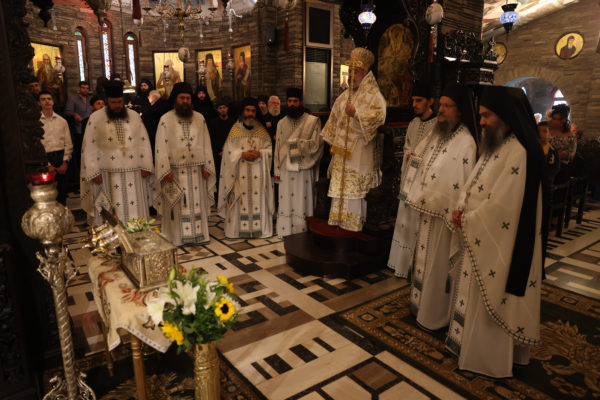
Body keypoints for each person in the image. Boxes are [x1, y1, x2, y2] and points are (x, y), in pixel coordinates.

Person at [447, 85, 546, 378]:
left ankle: (487, 359)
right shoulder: (496, 144)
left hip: (500, 241)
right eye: (480, 115)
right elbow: (474, 183)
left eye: (487, 115)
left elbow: (503, 207)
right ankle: (470, 347)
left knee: (494, 298)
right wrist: (461, 206)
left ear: (505, 116)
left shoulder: (519, 152)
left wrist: (469, 220)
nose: (481, 122)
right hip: (480, 235)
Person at [403, 83, 478, 330]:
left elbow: (462, 181)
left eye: (448, 106)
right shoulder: (437, 133)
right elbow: (423, 161)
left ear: (460, 110)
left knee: (437, 267)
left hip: (445, 219)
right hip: (428, 212)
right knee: (424, 262)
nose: (442, 110)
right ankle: (420, 306)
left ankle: (435, 313)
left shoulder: (467, 143)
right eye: (441, 105)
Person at [321, 47, 386, 232]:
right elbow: (335, 120)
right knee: (341, 188)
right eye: (349, 71)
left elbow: (379, 116)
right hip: (341, 152)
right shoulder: (343, 97)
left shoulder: (373, 95)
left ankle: (354, 224)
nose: (351, 75)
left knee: (355, 189)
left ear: (365, 74)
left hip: (360, 150)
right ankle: (339, 221)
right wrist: (333, 143)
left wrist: (357, 114)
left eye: (355, 71)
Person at [80, 80, 154, 225]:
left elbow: (143, 141)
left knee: (136, 209)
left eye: (120, 102)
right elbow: (89, 146)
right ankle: (113, 238)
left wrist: (146, 165)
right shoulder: (96, 118)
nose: (117, 105)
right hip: (106, 173)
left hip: (134, 171)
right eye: (113, 102)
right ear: (107, 101)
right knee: (111, 211)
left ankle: (138, 235)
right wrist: (93, 171)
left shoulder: (134, 116)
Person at [153, 82, 216, 246]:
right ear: (175, 99)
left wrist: (207, 166)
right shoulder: (165, 119)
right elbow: (160, 146)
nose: (185, 101)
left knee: (197, 203)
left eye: (188, 98)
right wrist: (165, 169)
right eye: (182, 98)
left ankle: (199, 235)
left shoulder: (200, 118)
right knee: (178, 205)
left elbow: (206, 143)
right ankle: (177, 237)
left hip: (197, 171)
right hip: (174, 172)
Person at [388, 81, 437, 278]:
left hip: (423, 183)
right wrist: (410, 155)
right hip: (408, 179)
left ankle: (413, 266)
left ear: (430, 101)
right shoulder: (413, 123)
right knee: (404, 221)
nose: (414, 104)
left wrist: (419, 158)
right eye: (413, 100)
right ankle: (400, 263)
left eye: (419, 101)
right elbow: (407, 146)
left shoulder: (438, 126)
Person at [218, 97, 274, 238]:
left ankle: (260, 230)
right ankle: (236, 231)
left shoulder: (262, 131)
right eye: (248, 110)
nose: (250, 114)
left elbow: (270, 150)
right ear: (242, 111)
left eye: (253, 111)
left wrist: (260, 153)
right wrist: (241, 154)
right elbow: (227, 153)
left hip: (258, 178)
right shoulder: (234, 130)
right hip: (238, 176)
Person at [274, 88, 323, 237]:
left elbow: (316, 145)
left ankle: (302, 231)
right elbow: (277, 148)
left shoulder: (312, 121)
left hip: (304, 168)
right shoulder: (281, 123)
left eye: (295, 101)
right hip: (285, 169)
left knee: (302, 199)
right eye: (289, 101)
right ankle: (286, 231)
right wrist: (276, 170)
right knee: (286, 200)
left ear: (301, 102)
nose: (292, 104)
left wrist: (294, 144)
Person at [39, 91, 73, 205]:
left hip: (60, 157)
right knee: (47, 194)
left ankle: (63, 215)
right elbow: (37, 145)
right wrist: (47, 165)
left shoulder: (62, 121)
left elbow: (68, 143)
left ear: (53, 102)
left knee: (62, 192)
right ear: (39, 103)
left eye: (49, 99)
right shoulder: (37, 122)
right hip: (45, 159)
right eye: (43, 99)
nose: (47, 101)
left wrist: (65, 162)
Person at [64, 81, 92, 180]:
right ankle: (82, 174)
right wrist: (74, 114)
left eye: (87, 88)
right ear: (79, 89)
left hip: (90, 128)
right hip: (79, 129)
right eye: (83, 88)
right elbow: (67, 111)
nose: (85, 90)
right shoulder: (73, 99)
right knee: (81, 151)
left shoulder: (90, 99)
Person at [208, 99, 234, 189]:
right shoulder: (213, 123)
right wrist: (220, 151)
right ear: (217, 110)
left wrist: (227, 151)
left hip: (231, 153)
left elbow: (234, 138)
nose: (222, 110)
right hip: (218, 154)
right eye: (220, 108)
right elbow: (212, 139)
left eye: (224, 107)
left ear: (227, 109)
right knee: (220, 177)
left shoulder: (233, 122)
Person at [548, 104, 577, 183]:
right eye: (553, 118)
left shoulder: (570, 135)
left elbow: (571, 155)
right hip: (546, 166)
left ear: (564, 120)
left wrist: (562, 155)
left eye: (556, 119)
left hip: (563, 168)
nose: (553, 121)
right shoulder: (546, 132)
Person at [141, 90, 170, 157]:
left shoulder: (159, 105)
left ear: (154, 97)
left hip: (156, 135)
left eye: (149, 96)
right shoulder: (161, 103)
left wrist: (142, 116)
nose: (148, 97)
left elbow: (147, 115)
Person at [538, 121, 560, 187]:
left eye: (544, 131)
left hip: (547, 181)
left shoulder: (553, 150)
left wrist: (548, 176)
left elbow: (556, 166)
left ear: (550, 134)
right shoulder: (533, 148)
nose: (540, 133)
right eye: (538, 131)